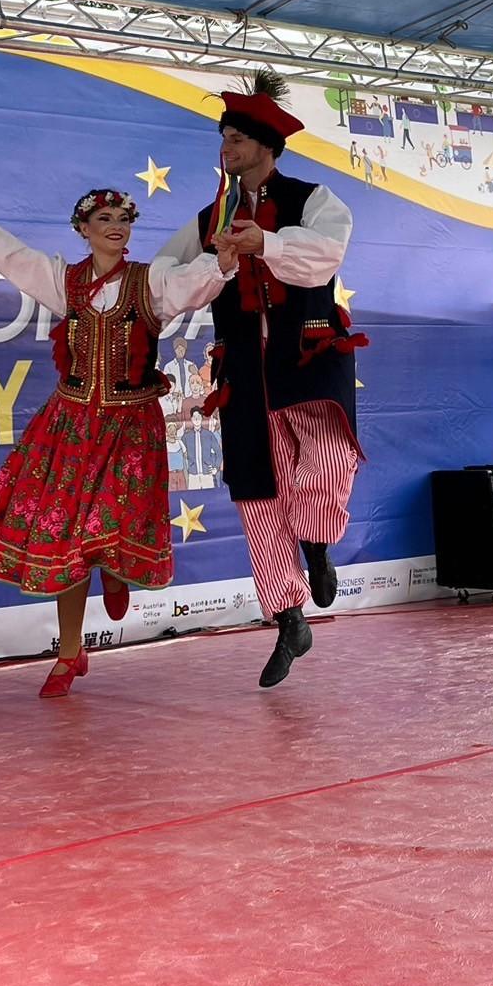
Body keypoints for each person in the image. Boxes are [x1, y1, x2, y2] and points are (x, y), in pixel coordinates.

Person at [0, 170, 237, 698]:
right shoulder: (65, 281)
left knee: (102, 525)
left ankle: (115, 571)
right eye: (104, 218)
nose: (116, 226)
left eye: (123, 219)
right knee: (69, 542)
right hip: (73, 424)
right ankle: (69, 652)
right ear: (83, 228)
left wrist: (223, 261)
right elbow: (9, 255)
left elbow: (192, 286)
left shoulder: (149, 282)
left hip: (130, 425)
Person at [157, 69, 365, 688]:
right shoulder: (209, 218)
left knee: (327, 460)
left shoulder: (311, 198)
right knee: (256, 492)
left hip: (309, 356)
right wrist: (211, 266)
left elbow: (325, 255)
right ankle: (288, 619)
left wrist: (266, 243)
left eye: (237, 138)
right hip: (244, 370)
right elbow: (166, 276)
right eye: (223, 137)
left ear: (266, 147)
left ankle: (318, 547)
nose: (226, 147)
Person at [182, 407, 220, 489]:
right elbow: (181, 454)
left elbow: (219, 453)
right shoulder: (186, 437)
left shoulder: (209, 435)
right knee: (193, 497)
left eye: (198, 417)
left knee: (209, 496)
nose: (196, 419)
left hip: (207, 474)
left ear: (202, 418)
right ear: (191, 419)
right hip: (193, 475)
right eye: (194, 417)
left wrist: (216, 468)